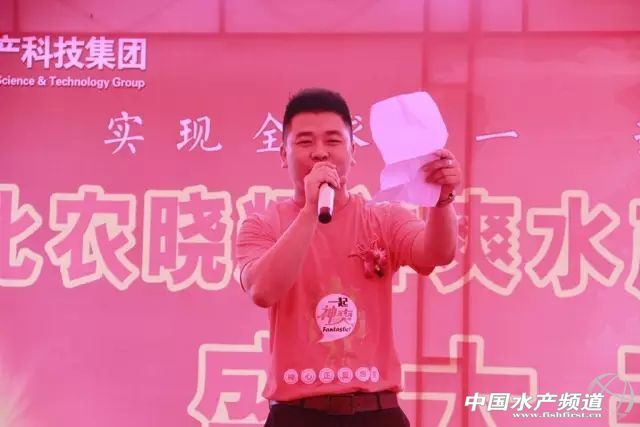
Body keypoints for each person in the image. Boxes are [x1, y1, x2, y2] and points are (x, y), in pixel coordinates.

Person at [235, 88, 461, 427]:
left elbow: (437, 253)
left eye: (333, 141)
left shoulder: (383, 218)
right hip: (297, 414)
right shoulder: (262, 224)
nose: (320, 153)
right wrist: (310, 211)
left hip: (376, 413)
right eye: (305, 142)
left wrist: (442, 200)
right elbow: (262, 290)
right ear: (283, 154)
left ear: (353, 152)